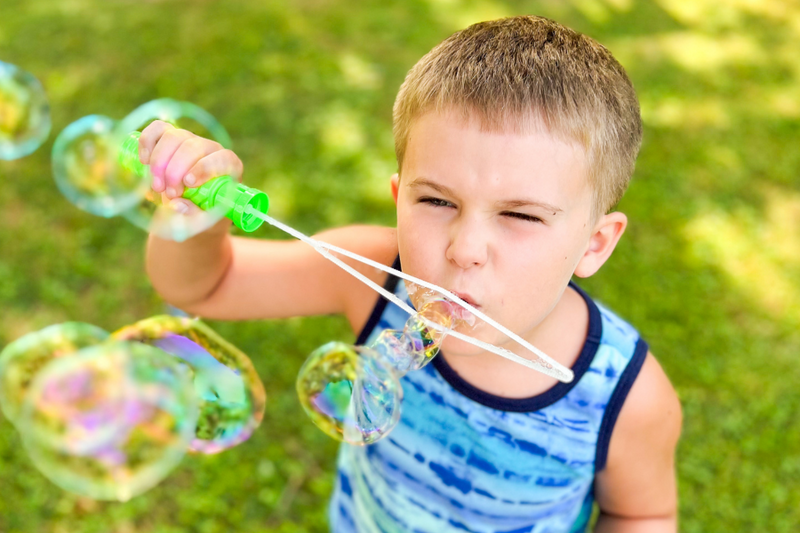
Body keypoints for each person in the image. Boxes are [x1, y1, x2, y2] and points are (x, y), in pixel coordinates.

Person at [139, 15, 682, 533]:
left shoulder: (625, 397)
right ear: (399, 201)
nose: (465, 248)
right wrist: (195, 211)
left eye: (520, 214)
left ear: (595, 243)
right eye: (437, 201)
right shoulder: (373, 279)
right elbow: (204, 285)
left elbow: (641, 516)